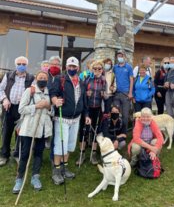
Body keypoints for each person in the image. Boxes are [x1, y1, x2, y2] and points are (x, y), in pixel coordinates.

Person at [50, 56, 90, 185]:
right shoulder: (60, 79)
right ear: (66, 67)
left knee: (70, 144)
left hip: (76, 118)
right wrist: (56, 101)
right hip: (62, 117)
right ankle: (56, 171)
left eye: (74, 67)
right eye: (70, 66)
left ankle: (64, 167)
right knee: (60, 144)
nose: (72, 69)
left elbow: (84, 101)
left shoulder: (82, 82)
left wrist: (87, 115)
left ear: (78, 68)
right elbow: (53, 93)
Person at [12, 71, 52, 193]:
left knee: (38, 154)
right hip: (29, 129)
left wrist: (49, 107)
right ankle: (19, 179)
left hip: (43, 129)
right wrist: (36, 106)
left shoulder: (48, 93)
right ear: (36, 78)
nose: (43, 80)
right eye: (40, 78)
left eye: (45, 78)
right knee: (24, 154)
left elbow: (52, 113)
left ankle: (35, 176)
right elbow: (21, 109)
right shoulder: (30, 91)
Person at [0, 56, 34, 167]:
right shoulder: (8, 75)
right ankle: (4, 155)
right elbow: (1, 89)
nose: (21, 66)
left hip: (22, 109)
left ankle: (17, 154)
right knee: (6, 131)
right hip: (8, 107)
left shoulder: (31, 78)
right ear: (16, 65)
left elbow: (33, 93)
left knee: (20, 132)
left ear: (26, 65)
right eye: (19, 63)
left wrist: (27, 99)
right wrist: (4, 99)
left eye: (24, 64)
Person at [82, 60, 106, 165]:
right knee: (84, 130)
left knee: (96, 130)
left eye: (99, 69)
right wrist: (86, 94)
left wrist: (104, 94)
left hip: (98, 108)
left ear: (102, 69)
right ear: (92, 69)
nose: (97, 70)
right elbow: (82, 93)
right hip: (88, 107)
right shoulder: (87, 79)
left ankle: (94, 153)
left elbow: (107, 96)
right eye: (95, 69)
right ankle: (82, 154)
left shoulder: (104, 80)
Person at [112, 50, 133, 128]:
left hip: (126, 94)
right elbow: (112, 78)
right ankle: (115, 131)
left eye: (121, 56)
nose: (120, 57)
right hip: (116, 93)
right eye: (118, 56)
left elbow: (131, 80)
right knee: (115, 113)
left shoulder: (129, 67)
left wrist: (130, 93)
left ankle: (124, 133)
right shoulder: (115, 67)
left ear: (125, 57)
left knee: (125, 115)